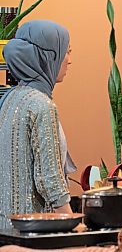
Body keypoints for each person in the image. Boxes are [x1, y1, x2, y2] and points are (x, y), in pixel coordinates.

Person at [0, 20, 76, 230]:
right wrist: (72, 225)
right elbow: (49, 179)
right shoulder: (42, 105)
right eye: (66, 52)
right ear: (48, 56)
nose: (69, 61)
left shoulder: (9, 99)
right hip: (35, 232)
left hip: (6, 229)